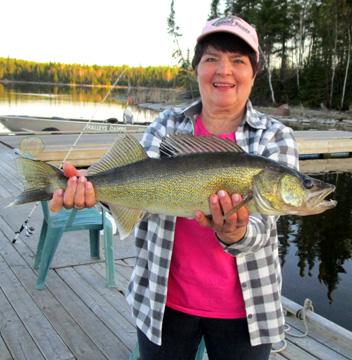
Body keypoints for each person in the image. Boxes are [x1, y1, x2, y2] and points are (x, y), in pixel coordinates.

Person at [50, 15, 299, 360]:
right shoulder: (167, 124)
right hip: (163, 302)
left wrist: (235, 233)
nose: (224, 70)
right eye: (211, 59)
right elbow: (137, 196)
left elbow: (264, 228)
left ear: (253, 73)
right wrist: (90, 192)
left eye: (238, 61)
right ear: (197, 69)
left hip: (246, 310)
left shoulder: (275, 137)